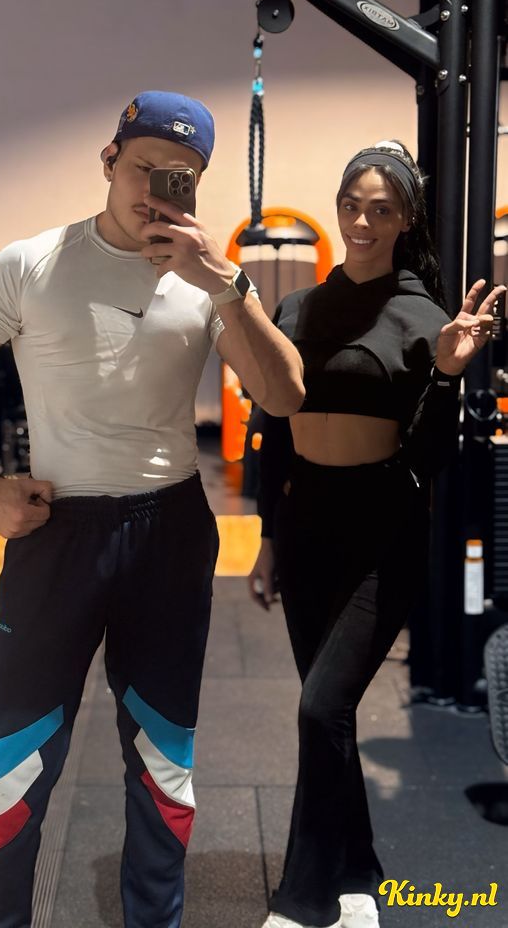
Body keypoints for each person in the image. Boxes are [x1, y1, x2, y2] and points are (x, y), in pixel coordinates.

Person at [0, 90, 305, 928]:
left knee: (164, 762)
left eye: (180, 176)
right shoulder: (31, 263)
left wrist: (226, 283)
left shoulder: (207, 283)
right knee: (11, 765)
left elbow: (284, 395)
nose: (156, 191)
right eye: (143, 167)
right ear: (108, 160)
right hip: (59, 534)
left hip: (170, 533)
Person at [248, 140, 505, 928]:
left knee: (318, 710)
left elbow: (426, 457)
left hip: (381, 529)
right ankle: (358, 869)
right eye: (352, 205)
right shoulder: (296, 310)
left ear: (405, 220)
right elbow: (272, 432)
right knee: (327, 716)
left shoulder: (425, 319)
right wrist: (266, 539)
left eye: (381, 209)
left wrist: (449, 373)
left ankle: (305, 899)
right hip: (305, 525)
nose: (362, 221)